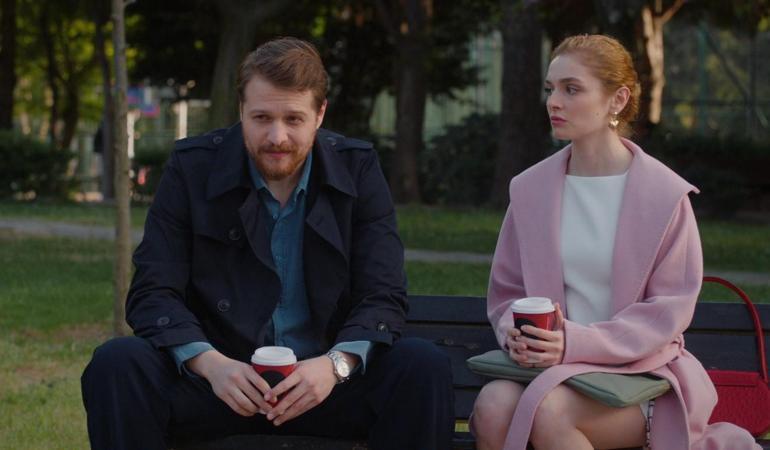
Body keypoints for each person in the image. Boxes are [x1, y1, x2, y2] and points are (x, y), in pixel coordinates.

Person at [81, 37, 453, 450]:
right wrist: (210, 364)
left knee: (421, 366)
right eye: (261, 118)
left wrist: (335, 366)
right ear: (241, 111)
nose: (277, 136)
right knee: (117, 363)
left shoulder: (357, 169)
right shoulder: (192, 168)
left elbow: (383, 294)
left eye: (294, 119)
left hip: (324, 385)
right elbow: (153, 291)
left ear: (320, 115)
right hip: (221, 385)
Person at [470, 34, 760, 450]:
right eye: (551, 89)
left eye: (572, 89)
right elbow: (508, 294)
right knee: (492, 406)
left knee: (551, 411)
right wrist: (514, 333)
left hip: (640, 376)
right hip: (546, 370)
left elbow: (667, 311)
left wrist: (572, 343)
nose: (554, 102)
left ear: (617, 100)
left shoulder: (664, 195)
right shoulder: (530, 190)